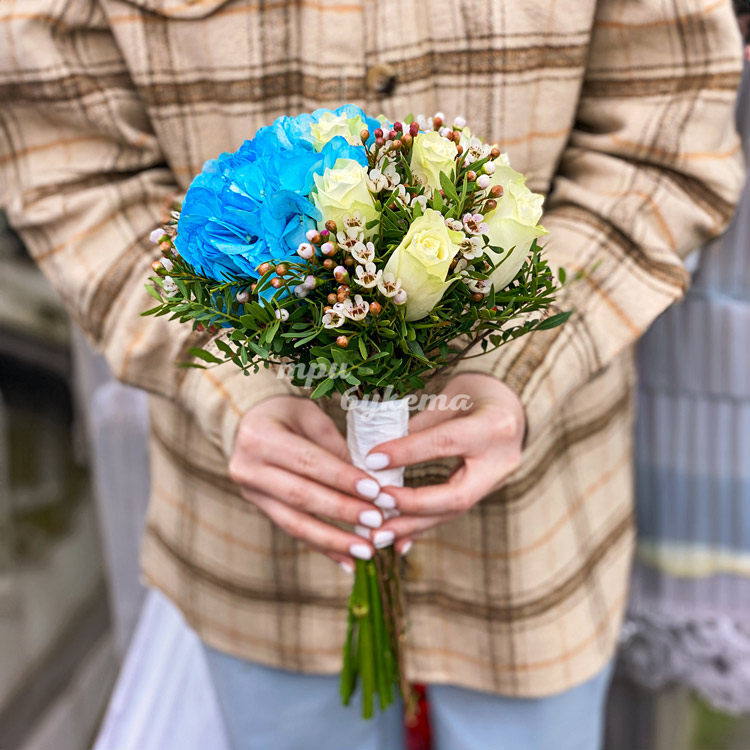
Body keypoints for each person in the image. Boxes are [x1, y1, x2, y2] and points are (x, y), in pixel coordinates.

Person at [0, 1, 743, 748]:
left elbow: (663, 132)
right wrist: (230, 384)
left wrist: (522, 364)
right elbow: (68, 167)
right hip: (261, 557)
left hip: (536, 534)